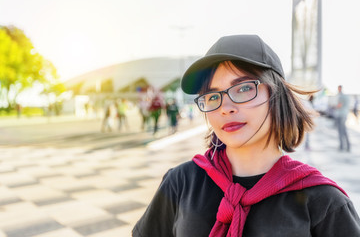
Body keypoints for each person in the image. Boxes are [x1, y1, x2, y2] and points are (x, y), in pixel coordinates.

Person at [132, 35, 360, 236]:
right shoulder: (181, 182)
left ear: (276, 93)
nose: (225, 108)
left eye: (243, 88)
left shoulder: (323, 201)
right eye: (212, 96)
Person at [335, 85, 351, 152]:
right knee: (344, 131)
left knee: (341, 131)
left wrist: (335, 106)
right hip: (345, 114)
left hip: (340, 115)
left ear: (340, 88)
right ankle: (348, 146)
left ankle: (342, 146)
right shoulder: (346, 97)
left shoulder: (341, 96)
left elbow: (339, 105)